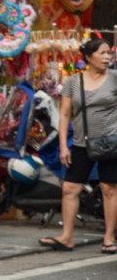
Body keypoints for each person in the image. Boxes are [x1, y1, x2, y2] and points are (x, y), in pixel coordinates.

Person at [39, 39, 117, 254]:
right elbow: (65, 115)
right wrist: (63, 146)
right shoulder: (73, 82)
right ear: (89, 57)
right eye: (102, 53)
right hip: (82, 143)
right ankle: (67, 237)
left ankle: (109, 237)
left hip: (111, 143)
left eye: (108, 53)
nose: (107, 57)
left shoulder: (114, 78)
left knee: (109, 189)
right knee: (69, 188)